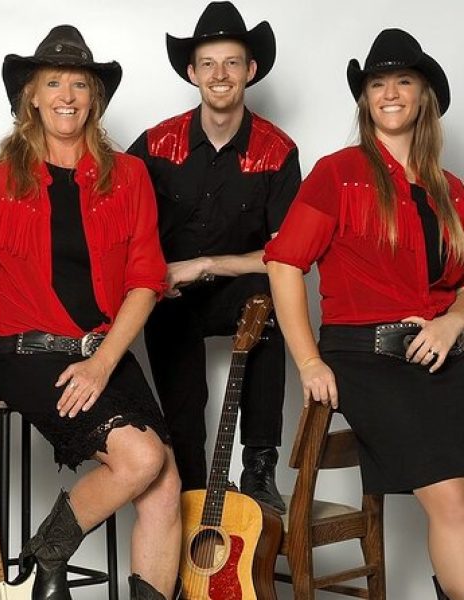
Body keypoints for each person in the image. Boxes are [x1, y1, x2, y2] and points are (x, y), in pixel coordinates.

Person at [0, 24, 181, 600]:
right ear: (31, 95)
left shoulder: (128, 177)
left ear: (94, 98)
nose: (67, 95)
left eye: (80, 83)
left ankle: (39, 561)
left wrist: (102, 363)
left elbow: (146, 281)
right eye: (54, 82)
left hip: (101, 352)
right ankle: (41, 558)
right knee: (145, 457)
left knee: (166, 484)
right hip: (27, 353)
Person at [265, 29, 464, 600]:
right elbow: (283, 264)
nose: (391, 93)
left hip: (444, 353)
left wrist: (453, 321)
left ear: (424, 95)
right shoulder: (338, 173)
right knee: (451, 497)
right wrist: (307, 360)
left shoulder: (450, 190)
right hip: (369, 361)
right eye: (378, 84)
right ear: (365, 99)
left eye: (403, 81)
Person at [127, 1, 300, 512]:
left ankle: (260, 467)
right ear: (191, 72)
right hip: (172, 293)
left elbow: (286, 255)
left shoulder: (278, 149)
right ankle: (193, 492)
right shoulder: (156, 144)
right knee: (179, 380)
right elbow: (115, 216)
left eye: (231, 63)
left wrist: (206, 264)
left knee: (268, 299)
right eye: (208, 64)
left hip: (239, 285)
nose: (219, 75)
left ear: (250, 71)